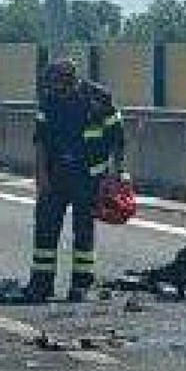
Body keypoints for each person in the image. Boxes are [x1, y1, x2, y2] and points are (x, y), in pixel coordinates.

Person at [26, 59, 127, 303]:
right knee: (45, 230)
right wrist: (41, 176)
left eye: (58, 85)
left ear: (70, 81)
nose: (55, 90)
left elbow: (118, 139)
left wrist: (116, 175)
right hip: (56, 176)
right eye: (51, 86)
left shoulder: (99, 99)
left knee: (83, 232)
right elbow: (40, 141)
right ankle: (41, 284)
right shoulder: (49, 101)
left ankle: (81, 284)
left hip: (89, 178)